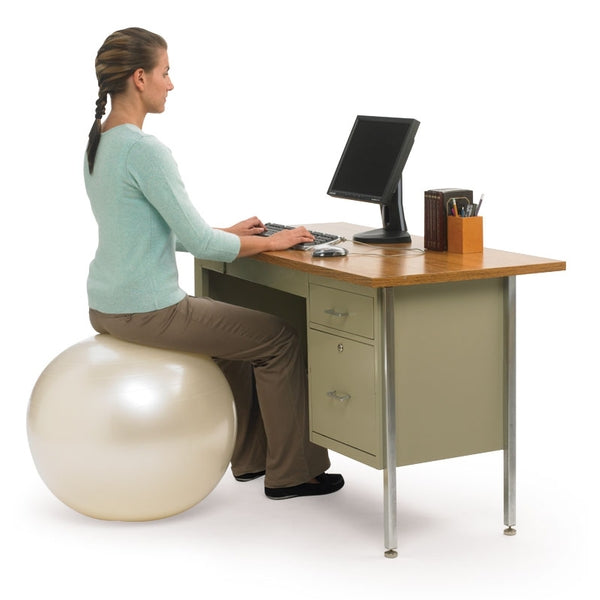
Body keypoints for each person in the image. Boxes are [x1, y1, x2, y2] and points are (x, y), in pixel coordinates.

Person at [84, 27, 343, 500]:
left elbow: (150, 232)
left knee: (234, 343)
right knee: (280, 339)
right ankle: (292, 473)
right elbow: (197, 241)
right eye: (165, 72)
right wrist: (274, 242)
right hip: (148, 310)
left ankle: (251, 459)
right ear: (140, 78)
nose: (171, 84)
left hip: (107, 304)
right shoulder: (143, 150)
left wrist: (231, 234)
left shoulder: (100, 143)